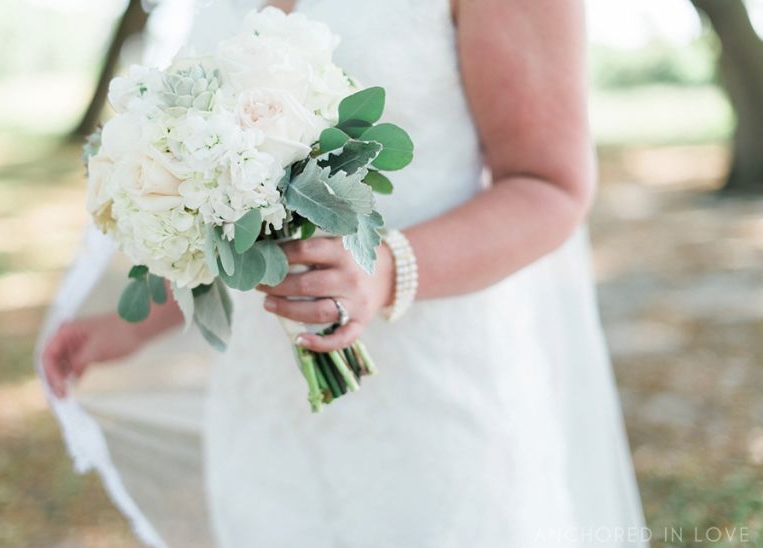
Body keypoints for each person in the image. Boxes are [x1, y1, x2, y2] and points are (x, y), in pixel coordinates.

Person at [40, 0, 648, 546]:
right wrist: (142, 320)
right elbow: (228, 197)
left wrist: (388, 268)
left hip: (429, 411)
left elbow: (549, 184)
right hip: (262, 423)